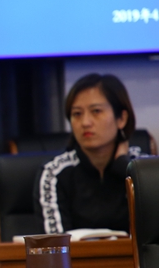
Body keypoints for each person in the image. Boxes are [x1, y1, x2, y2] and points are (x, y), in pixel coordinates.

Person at [34, 73, 140, 234]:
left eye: (96, 111)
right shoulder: (53, 173)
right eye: (77, 114)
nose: (85, 122)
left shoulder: (142, 170)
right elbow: (54, 243)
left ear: (121, 119)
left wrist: (123, 167)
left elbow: (153, 239)